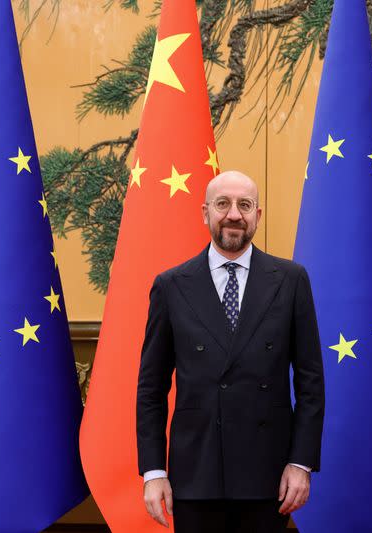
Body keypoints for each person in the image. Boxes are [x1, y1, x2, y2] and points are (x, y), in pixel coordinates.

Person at [136, 170, 325, 533]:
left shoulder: (291, 280)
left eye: (245, 205)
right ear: (205, 212)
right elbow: (151, 389)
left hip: (268, 474)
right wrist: (154, 471)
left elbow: (311, 383)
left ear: (258, 214)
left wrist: (300, 463)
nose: (234, 214)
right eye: (223, 204)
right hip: (195, 473)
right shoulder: (172, 285)